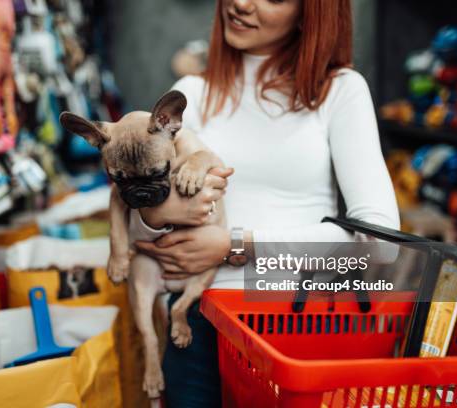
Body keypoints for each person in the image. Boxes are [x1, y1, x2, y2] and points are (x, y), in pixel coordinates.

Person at [132, 0, 400, 406]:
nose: (241, 2)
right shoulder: (190, 95)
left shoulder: (339, 91)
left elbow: (381, 244)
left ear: (312, 11)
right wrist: (157, 217)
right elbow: (137, 235)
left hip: (295, 327)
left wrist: (234, 245)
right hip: (196, 323)